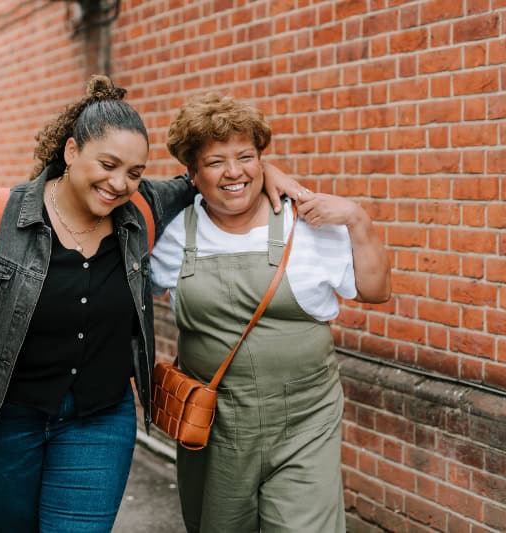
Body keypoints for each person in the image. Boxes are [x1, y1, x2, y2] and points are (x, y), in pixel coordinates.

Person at [0, 76, 300, 532]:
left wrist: (267, 171)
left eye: (134, 173)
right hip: (4, 421)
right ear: (72, 151)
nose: (119, 184)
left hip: (98, 419)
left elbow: (200, 180)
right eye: (108, 164)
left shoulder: (141, 210)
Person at [150, 93, 391, 533]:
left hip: (305, 419)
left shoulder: (309, 224)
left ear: (262, 160)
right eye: (216, 161)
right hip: (215, 424)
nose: (234, 172)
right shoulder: (171, 234)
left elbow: (376, 290)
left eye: (246, 157)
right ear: (192, 173)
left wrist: (358, 218)